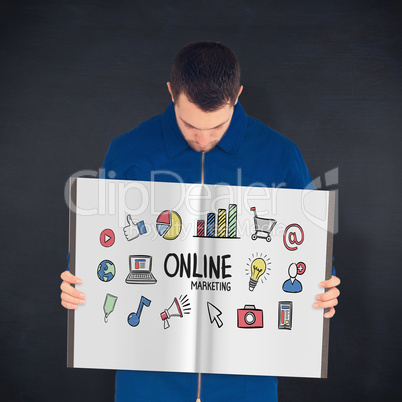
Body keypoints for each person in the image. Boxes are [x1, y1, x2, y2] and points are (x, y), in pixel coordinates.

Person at [60, 41, 341, 402]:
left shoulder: (280, 155)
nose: (204, 140)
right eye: (190, 125)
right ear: (171, 93)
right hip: (147, 375)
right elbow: (99, 245)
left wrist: (324, 284)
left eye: (218, 126)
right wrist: (78, 281)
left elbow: (307, 247)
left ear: (237, 95)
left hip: (245, 378)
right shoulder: (128, 151)